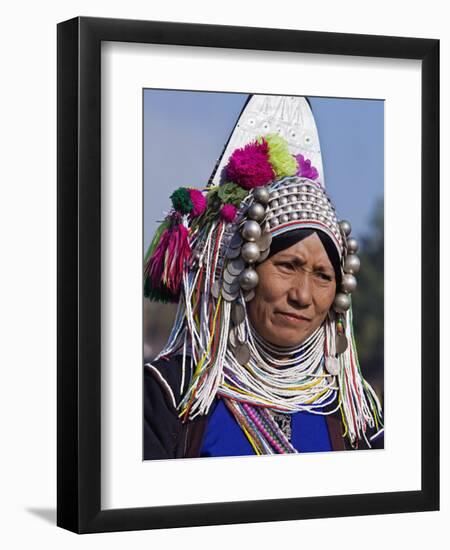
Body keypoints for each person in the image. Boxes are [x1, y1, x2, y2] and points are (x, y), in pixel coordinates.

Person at [143, 94, 384, 459]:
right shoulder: (171, 396)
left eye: (322, 275)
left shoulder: (353, 416)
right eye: (287, 266)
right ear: (241, 269)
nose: (303, 295)